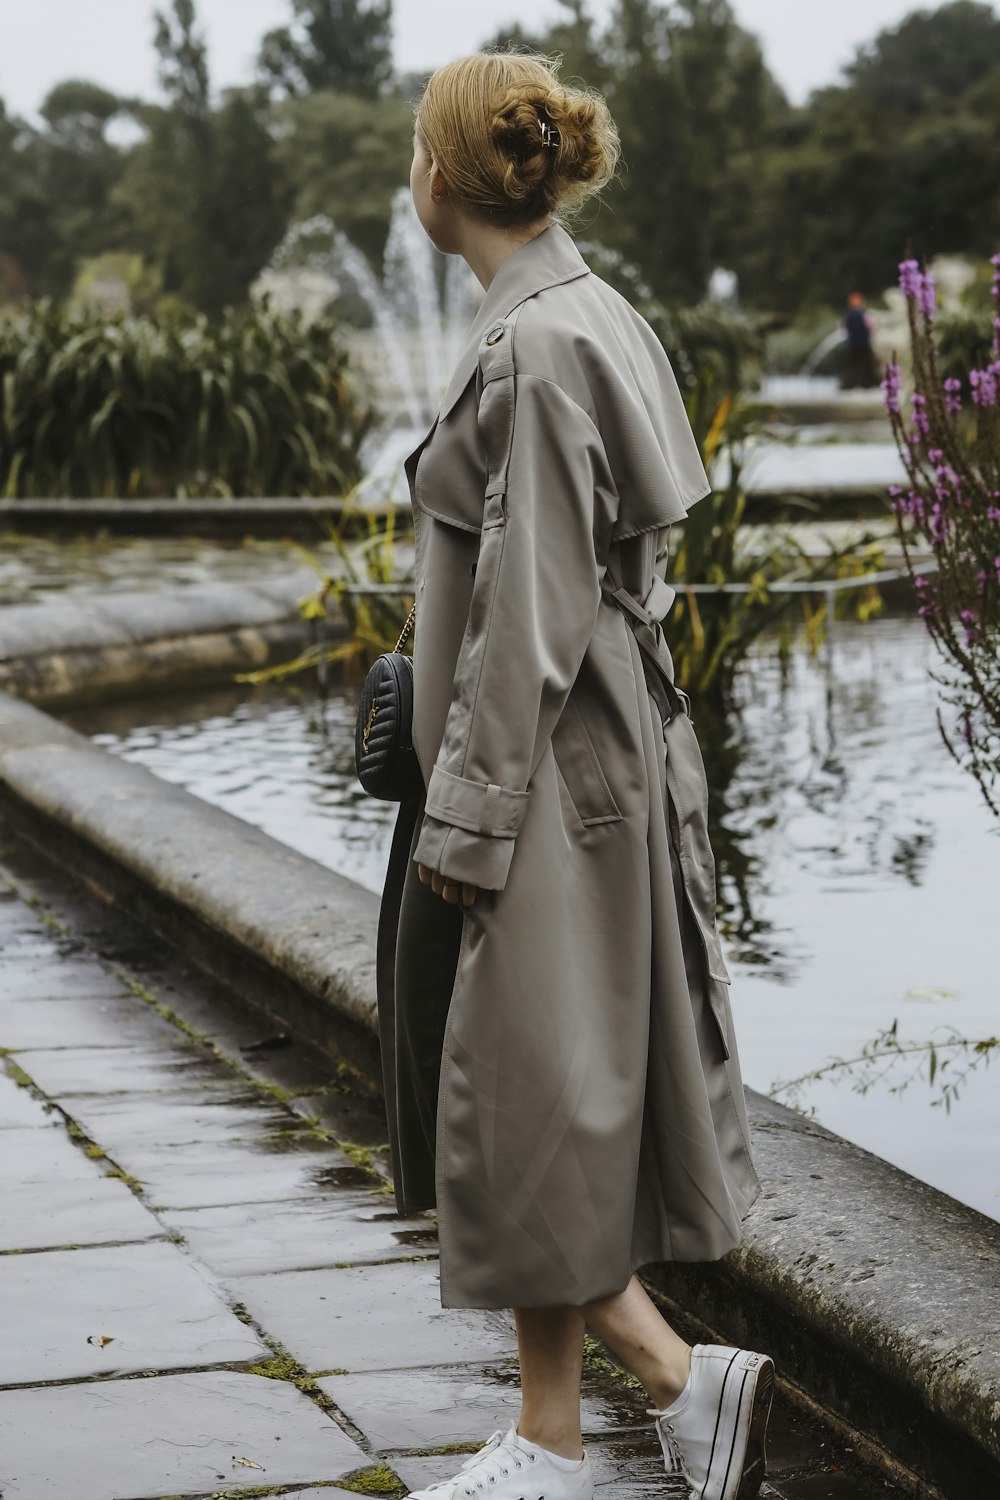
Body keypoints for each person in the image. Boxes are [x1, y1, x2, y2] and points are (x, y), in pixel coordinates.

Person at [374, 49, 774, 1500]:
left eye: (412, 151)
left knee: (516, 1099)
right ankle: (549, 1437)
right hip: (575, 752)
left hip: (549, 776)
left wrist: (469, 814)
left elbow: (533, 605)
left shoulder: (537, 344)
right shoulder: (573, 310)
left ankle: (678, 1379)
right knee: (533, 1089)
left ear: (442, 178)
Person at [840, 291, 880, 388]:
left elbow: (843, 328)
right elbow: (872, 327)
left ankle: (850, 384)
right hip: (863, 344)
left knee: (853, 365)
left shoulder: (848, 315)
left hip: (853, 344)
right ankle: (867, 383)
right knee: (866, 365)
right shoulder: (865, 314)